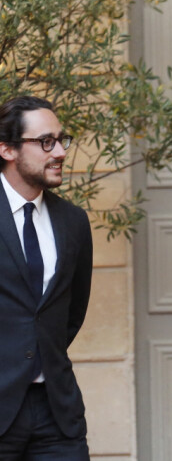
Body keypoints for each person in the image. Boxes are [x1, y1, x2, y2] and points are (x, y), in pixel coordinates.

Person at [0, 96, 93, 459]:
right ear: (6, 149)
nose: (60, 152)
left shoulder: (73, 221)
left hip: (57, 413)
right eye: (45, 142)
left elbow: (71, 314)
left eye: (61, 140)